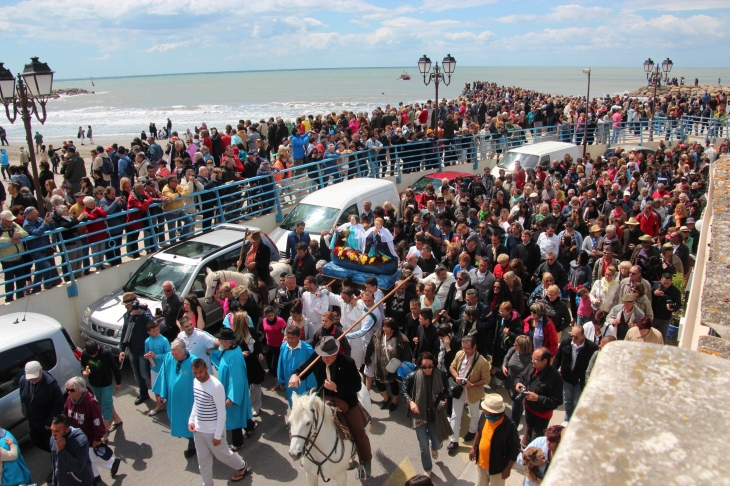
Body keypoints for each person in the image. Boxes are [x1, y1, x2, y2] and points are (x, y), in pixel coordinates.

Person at [290, 336, 373, 478]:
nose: (325, 358)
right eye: (322, 355)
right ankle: (305, 453)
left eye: (328, 356)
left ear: (336, 352)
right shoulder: (318, 357)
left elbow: (356, 385)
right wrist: (295, 375)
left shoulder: (348, 362)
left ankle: (366, 462)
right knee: (304, 423)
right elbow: (304, 369)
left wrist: (337, 388)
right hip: (323, 398)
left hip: (345, 400)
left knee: (359, 431)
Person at [189, 358, 252, 485]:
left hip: (213, 430)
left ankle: (241, 466)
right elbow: (197, 402)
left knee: (222, 455)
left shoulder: (216, 386)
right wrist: (191, 420)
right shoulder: (195, 382)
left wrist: (218, 435)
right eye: (195, 373)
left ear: (206, 368)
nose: (198, 376)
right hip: (198, 430)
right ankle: (207, 483)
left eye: (200, 372)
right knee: (202, 461)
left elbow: (221, 413)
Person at [401, 352, 452, 479]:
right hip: (419, 415)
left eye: (430, 366)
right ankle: (427, 468)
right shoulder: (412, 377)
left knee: (437, 442)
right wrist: (411, 402)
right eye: (425, 367)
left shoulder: (441, 375)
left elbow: (447, 390)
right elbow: (404, 391)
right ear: (420, 366)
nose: (428, 369)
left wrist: (443, 398)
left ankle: (434, 447)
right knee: (423, 445)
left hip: (435, 415)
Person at [64, 377, 121, 483]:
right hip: (76, 437)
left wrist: (97, 438)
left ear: (80, 389)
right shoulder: (69, 400)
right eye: (67, 390)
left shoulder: (90, 403)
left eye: (71, 390)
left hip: (89, 438)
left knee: (89, 458)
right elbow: (65, 415)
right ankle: (95, 477)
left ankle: (112, 463)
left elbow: (97, 422)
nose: (68, 392)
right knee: (87, 459)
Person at [210, 328, 254, 452]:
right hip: (231, 389)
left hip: (233, 392)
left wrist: (232, 397)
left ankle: (238, 443)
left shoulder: (233, 356)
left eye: (219, 340)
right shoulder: (233, 349)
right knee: (240, 414)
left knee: (234, 418)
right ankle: (250, 426)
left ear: (225, 342)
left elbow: (237, 379)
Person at [152, 339, 198, 458]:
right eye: (173, 353)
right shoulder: (169, 357)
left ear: (184, 351)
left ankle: (193, 445)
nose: (173, 356)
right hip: (175, 401)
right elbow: (164, 376)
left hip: (189, 401)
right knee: (179, 421)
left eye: (176, 354)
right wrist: (162, 394)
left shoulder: (195, 362)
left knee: (190, 422)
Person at [446, 335, 491, 452]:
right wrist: (456, 377)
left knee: (475, 414)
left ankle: (472, 431)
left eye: (468, 349)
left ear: (474, 347)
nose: (465, 351)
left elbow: (486, 379)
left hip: (473, 392)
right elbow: (452, 367)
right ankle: (454, 440)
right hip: (459, 390)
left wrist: (473, 385)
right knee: (455, 415)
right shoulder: (459, 354)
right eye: (463, 348)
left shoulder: (482, 362)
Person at [514, 347, 563, 448]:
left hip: (542, 415)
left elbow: (557, 401)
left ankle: (533, 458)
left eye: (535, 359)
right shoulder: (532, 366)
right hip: (528, 409)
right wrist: (518, 383)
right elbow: (522, 376)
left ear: (545, 361)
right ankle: (524, 451)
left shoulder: (555, 378)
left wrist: (538, 398)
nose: (532, 360)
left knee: (536, 438)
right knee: (528, 430)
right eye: (533, 358)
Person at [468, 394, 520, 486]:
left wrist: (507, 469)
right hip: (481, 463)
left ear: (493, 412)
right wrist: (473, 448)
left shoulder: (509, 427)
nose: (483, 410)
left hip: (497, 469)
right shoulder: (484, 415)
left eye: (485, 409)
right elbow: (479, 430)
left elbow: (515, 449)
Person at [553, 326, 597, 425]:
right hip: (567, 379)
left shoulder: (591, 348)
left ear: (583, 336)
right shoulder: (566, 342)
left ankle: (575, 421)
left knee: (577, 402)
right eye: (571, 336)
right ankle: (568, 419)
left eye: (576, 337)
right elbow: (558, 358)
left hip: (580, 381)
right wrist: (553, 372)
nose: (573, 339)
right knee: (568, 401)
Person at [364, 317, 411, 412]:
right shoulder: (377, 335)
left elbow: (406, 355)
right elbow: (370, 347)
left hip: (393, 367)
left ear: (393, 328)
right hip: (379, 366)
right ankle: (386, 398)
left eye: (387, 327)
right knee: (379, 383)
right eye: (383, 326)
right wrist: (367, 358)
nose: (384, 328)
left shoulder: (401, 339)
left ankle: (394, 401)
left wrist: (404, 366)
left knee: (393, 384)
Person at [118, 292, 156, 405]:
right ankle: (143, 393)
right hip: (132, 349)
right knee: (137, 373)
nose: (127, 307)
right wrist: (121, 349)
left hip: (143, 349)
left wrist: (141, 315)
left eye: (128, 304)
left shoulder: (144, 311)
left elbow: (152, 323)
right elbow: (125, 332)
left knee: (145, 373)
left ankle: (158, 389)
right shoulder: (127, 315)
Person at [80, 341, 123, 438]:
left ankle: (104, 433)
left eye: (95, 354)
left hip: (106, 384)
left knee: (105, 407)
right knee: (103, 403)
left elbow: (114, 367)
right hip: (94, 384)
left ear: (98, 347)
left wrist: (118, 381)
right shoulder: (85, 354)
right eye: (91, 355)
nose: (93, 356)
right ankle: (117, 420)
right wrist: (83, 372)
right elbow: (82, 365)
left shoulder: (106, 353)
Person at [277, 325, 317, 407]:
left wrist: (311, 385)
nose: (289, 340)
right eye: (288, 337)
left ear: (298, 337)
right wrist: (280, 379)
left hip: (303, 384)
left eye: (292, 337)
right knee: (292, 403)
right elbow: (280, 363)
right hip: (289, 382)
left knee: (303, 406)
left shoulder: (308, 349)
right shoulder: (284, 347)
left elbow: (312, 369)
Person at [49, 414, 95, 486]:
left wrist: (62, 451)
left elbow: (78, 467)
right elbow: (54, 462)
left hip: (79, 482)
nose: (53, 434)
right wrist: (54, 482)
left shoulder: (80, 441)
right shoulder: (53, 438)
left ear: (67, 429)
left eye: (56, 431)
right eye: (52, 430)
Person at [501, 335, 533, 428]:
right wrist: (504, 366)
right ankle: (520, 410)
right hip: (509, 381)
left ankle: (513, 426)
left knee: (516, 406)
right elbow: (506, 358)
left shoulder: (530, 359)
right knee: (515, 402)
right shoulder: (513, 350)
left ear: (523, 346)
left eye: (516, 343)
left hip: (519, 386)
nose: (514, 344)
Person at [144, 321, 171, 416]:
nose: (156, 332)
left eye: (157, 329)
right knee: (156, 388)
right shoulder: (147, 341)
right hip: (154, 368)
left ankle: (171, 406)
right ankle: (159, 405)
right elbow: (146, 352)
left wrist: (156, 356)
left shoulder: (164, 340)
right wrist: (146, 356)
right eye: (154, 331)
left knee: (168, 387)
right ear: (149, 332)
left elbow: (168, 354)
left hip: (164, 368)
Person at [651, 272, 682, 340]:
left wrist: (672, 308)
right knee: (650, 337)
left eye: (668, 283)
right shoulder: (655, 285)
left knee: (660, 338)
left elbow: (679, 304)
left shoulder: (675, 291)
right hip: (653, 316)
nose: (666, 285)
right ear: (661, 280)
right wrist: (654, 293)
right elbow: (647, 296)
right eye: (664, 283)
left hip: (664, 319)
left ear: (671, 282)